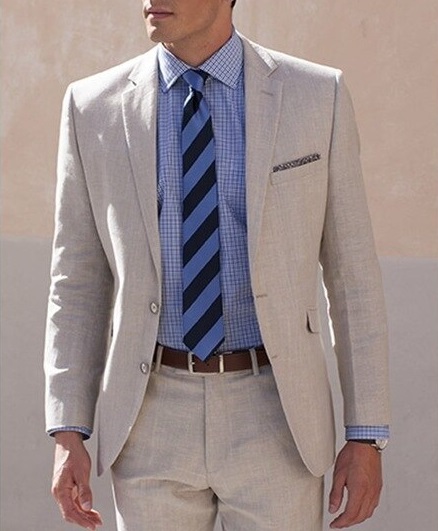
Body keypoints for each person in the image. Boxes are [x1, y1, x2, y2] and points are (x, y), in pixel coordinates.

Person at [44, 1, 390, 529]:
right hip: (148, 416)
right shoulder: (92, 106)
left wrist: (366, 434)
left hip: (278, 414)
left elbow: (352, 276)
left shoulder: (317, 94)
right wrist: (68, 429)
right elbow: (76, 282)